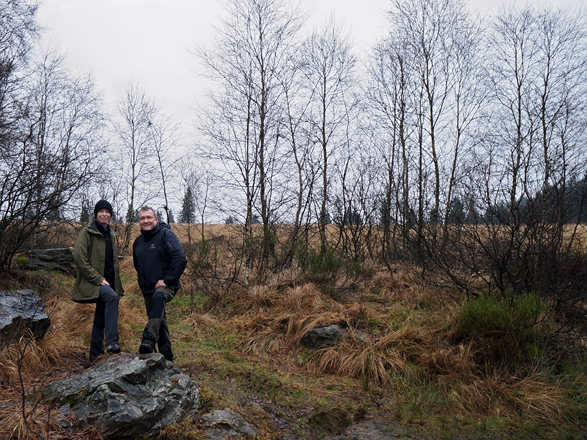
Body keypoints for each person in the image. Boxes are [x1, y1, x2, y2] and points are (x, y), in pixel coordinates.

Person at [72, 200, 124, 361]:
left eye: (107, 212)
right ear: (96, 214)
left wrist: (118, 288)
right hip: (92, 281)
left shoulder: (110, 234)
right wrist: (96, 278)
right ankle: (112, 342)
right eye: (101, 211)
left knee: (101, 314)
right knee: (111, 298)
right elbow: (79, 258)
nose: (104, 214)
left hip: (107, 281)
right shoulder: (87, 232)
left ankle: (95, 354)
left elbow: (112, 264)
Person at [133, 206, 186, 362]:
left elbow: (180, 258)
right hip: (147, 288)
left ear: (156, 219)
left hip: (166, 285)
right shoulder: (138, 242)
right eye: (142, 218)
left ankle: (148, 339)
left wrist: (168, 280)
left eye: (149, 217)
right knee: (158, 321)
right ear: (139, 222)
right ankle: (167, 358)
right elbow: (137, 265)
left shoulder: (166, 235)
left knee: (158, 298)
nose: (146, 221)